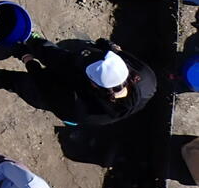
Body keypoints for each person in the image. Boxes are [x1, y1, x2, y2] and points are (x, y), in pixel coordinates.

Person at [17, 38, 156, 126]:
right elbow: (118, 52)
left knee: (22, 84)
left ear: (94, 84)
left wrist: (27, 59)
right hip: (84, 102)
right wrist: (109, 46)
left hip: (61, 103)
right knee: (59, 56)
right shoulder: (146, 77)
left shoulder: (77, 105)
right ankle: (34, 41)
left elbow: (42, 81)